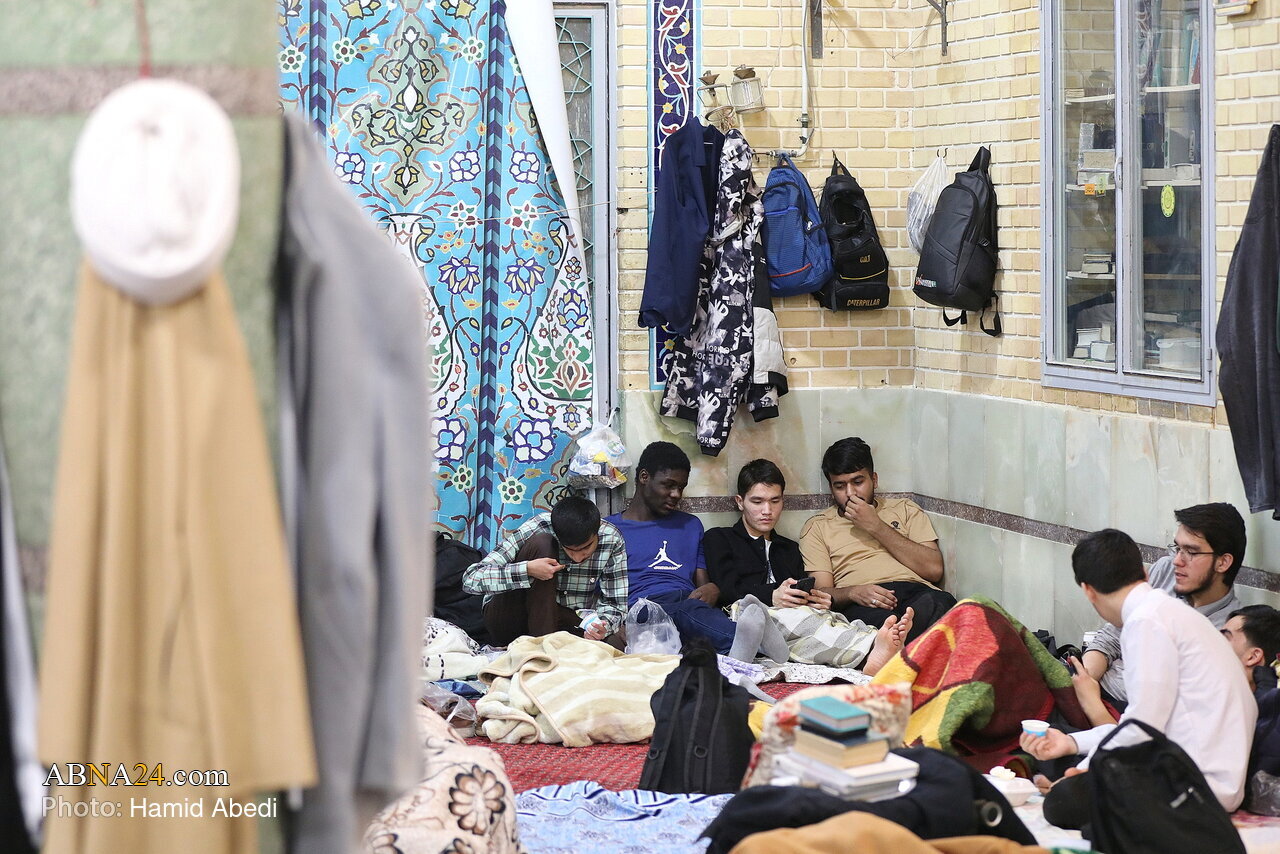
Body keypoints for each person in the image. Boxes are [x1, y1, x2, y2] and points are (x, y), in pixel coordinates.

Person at [1022, 529, 1256, 829]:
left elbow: (1143, 728)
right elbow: (1142, 723)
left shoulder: (1146, 621)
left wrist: (1084, 770)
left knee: (1063, 802)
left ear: (1088, 590)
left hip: (1199, 786)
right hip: (1198, 771)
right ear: (1144, 573)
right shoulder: (1161, 611)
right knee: (1064, 765)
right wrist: (1069, 742)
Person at [704, 458, 913, 673]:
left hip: (793, 615)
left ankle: (875, 642)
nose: (767, 510)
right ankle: (869, 653)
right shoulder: (719, 538)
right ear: (740, 502)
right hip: (746, 614)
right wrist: (772, 595)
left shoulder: (788, 548)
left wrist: (816, 597)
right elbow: (726, 589)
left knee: (828, 618)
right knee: (799, 621)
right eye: (757, 502)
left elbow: (801, 591)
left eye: (775, 501)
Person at [606, 442, 777, 660]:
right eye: (668, 485)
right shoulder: (610, 530)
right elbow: (598, 591)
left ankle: (739, 649)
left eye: (681, 487)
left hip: (689, 605)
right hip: (643, 609)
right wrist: (613, 624)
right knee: (687, 613)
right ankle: (752, 640)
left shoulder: (690, 525)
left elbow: (702, 583)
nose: (676, 494)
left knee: (695, 627)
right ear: (644, 477)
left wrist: (712, 589)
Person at [1083, 502, 1246, 706]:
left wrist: (1092, 701)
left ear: (1223, 562)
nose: (1177, 560)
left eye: (1191, 552)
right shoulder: (1166, 571)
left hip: (1129, 713)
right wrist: (1084, 680)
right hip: (1095, 688)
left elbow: (1160, 700)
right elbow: (1113, 636)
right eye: (1178, 548)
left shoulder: (1225, 630)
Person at [800, 437, 955, 642]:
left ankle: (899, 650)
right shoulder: (818, 526)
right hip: (864, 604)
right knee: (878, 627)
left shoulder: (905, 509)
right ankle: (904, 649)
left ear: (874, 479)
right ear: (831, 488)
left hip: (917, 594)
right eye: (840, 486)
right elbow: (820, 593)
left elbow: (934, 570)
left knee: (944, 605)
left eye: (858, 482)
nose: (850, 493)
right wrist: (853, 592)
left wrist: (876, 525)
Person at [463, 495, 627, 647]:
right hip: (511, 617)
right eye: (570, 550)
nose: (577, 558)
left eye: (585, 548)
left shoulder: (611, 538)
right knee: (543, 544)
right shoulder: (540, 526)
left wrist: (603, 626)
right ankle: (542, 654)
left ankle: (547, 649)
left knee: (615, 645)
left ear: (596, 532)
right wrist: (527, 570)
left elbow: (615, 604)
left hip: (566, 619)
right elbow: (471, 579)